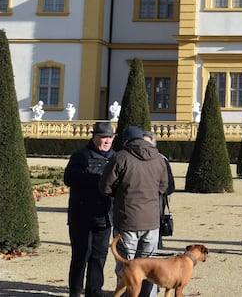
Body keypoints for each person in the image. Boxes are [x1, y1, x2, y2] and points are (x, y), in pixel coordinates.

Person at [98, 126, 169, 297]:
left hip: (127, 220)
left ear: (126, 141)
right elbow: (163, 187)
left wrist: (120, 193)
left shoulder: (120, 157)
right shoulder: (158, 159)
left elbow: (105, 187)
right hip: (152, 221)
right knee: (150, 267)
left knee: (127, 267)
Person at [64, 122, 115, 297]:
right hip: (82, 216)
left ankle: (94, 291)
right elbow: (69, 178)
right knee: (81, 256)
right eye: (103, 137)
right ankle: (75, 291)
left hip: (105, 216)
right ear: (94, 137)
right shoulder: (80, 156)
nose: (107, 141)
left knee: (99, 256)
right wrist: (97, 180)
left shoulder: (115, 157)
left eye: (109, 137)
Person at [141, 131, 176, 249]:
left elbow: (170, 185)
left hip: (156, 200)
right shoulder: (131, 158)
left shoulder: (161, 159)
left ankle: (157, 243)